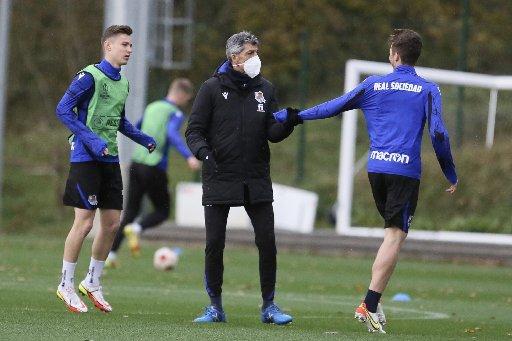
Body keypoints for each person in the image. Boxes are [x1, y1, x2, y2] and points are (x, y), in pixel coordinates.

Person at [275, 29, 458, 333]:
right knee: (395, 237)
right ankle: (369, 305)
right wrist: (449, 170)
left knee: (389, 235)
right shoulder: (428, 89)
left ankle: (374, 300)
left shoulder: (373, 84)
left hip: (376, 170)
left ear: (395, 55)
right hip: (404, 171)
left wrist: (293, 117)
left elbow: (335, 105)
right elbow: (438, 132)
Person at [185, 31, 302, 324]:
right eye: (250, 53)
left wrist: (287, 124)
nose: (255, 58)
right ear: (234, 57)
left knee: (267, 241)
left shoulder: (266, 89)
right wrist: (204, 153)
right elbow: (194, 130)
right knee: (214, 243)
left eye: (256, 52)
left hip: (256, 177)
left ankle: (269, 306)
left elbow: (272, 134)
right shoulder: (210, 89)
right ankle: (215, 307)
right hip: (219, 175)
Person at [55, 25, 156, 313]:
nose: (129, 49)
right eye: (125, 44)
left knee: (112, 224)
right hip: (85, 157)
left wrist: (142, 138)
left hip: (109, 158)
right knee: (85, 223)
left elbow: (119, 121)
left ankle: (93, 282)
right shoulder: (89, 77)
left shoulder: (122, 82)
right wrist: (90, 138)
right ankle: (66, 283)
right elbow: (63, 109)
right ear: (107, 46)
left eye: (131, 45)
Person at [106, 78, 200, 267]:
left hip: (136, 162)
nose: (185, 103)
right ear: (182, 95)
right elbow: (172, 133)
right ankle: (138, 228)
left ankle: (111, 256)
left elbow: (138, 127)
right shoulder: (175, 112)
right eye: (186, 99)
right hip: (154, 166)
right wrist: (188, 156)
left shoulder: (152, 106)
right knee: (163, 211)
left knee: (131, 211)